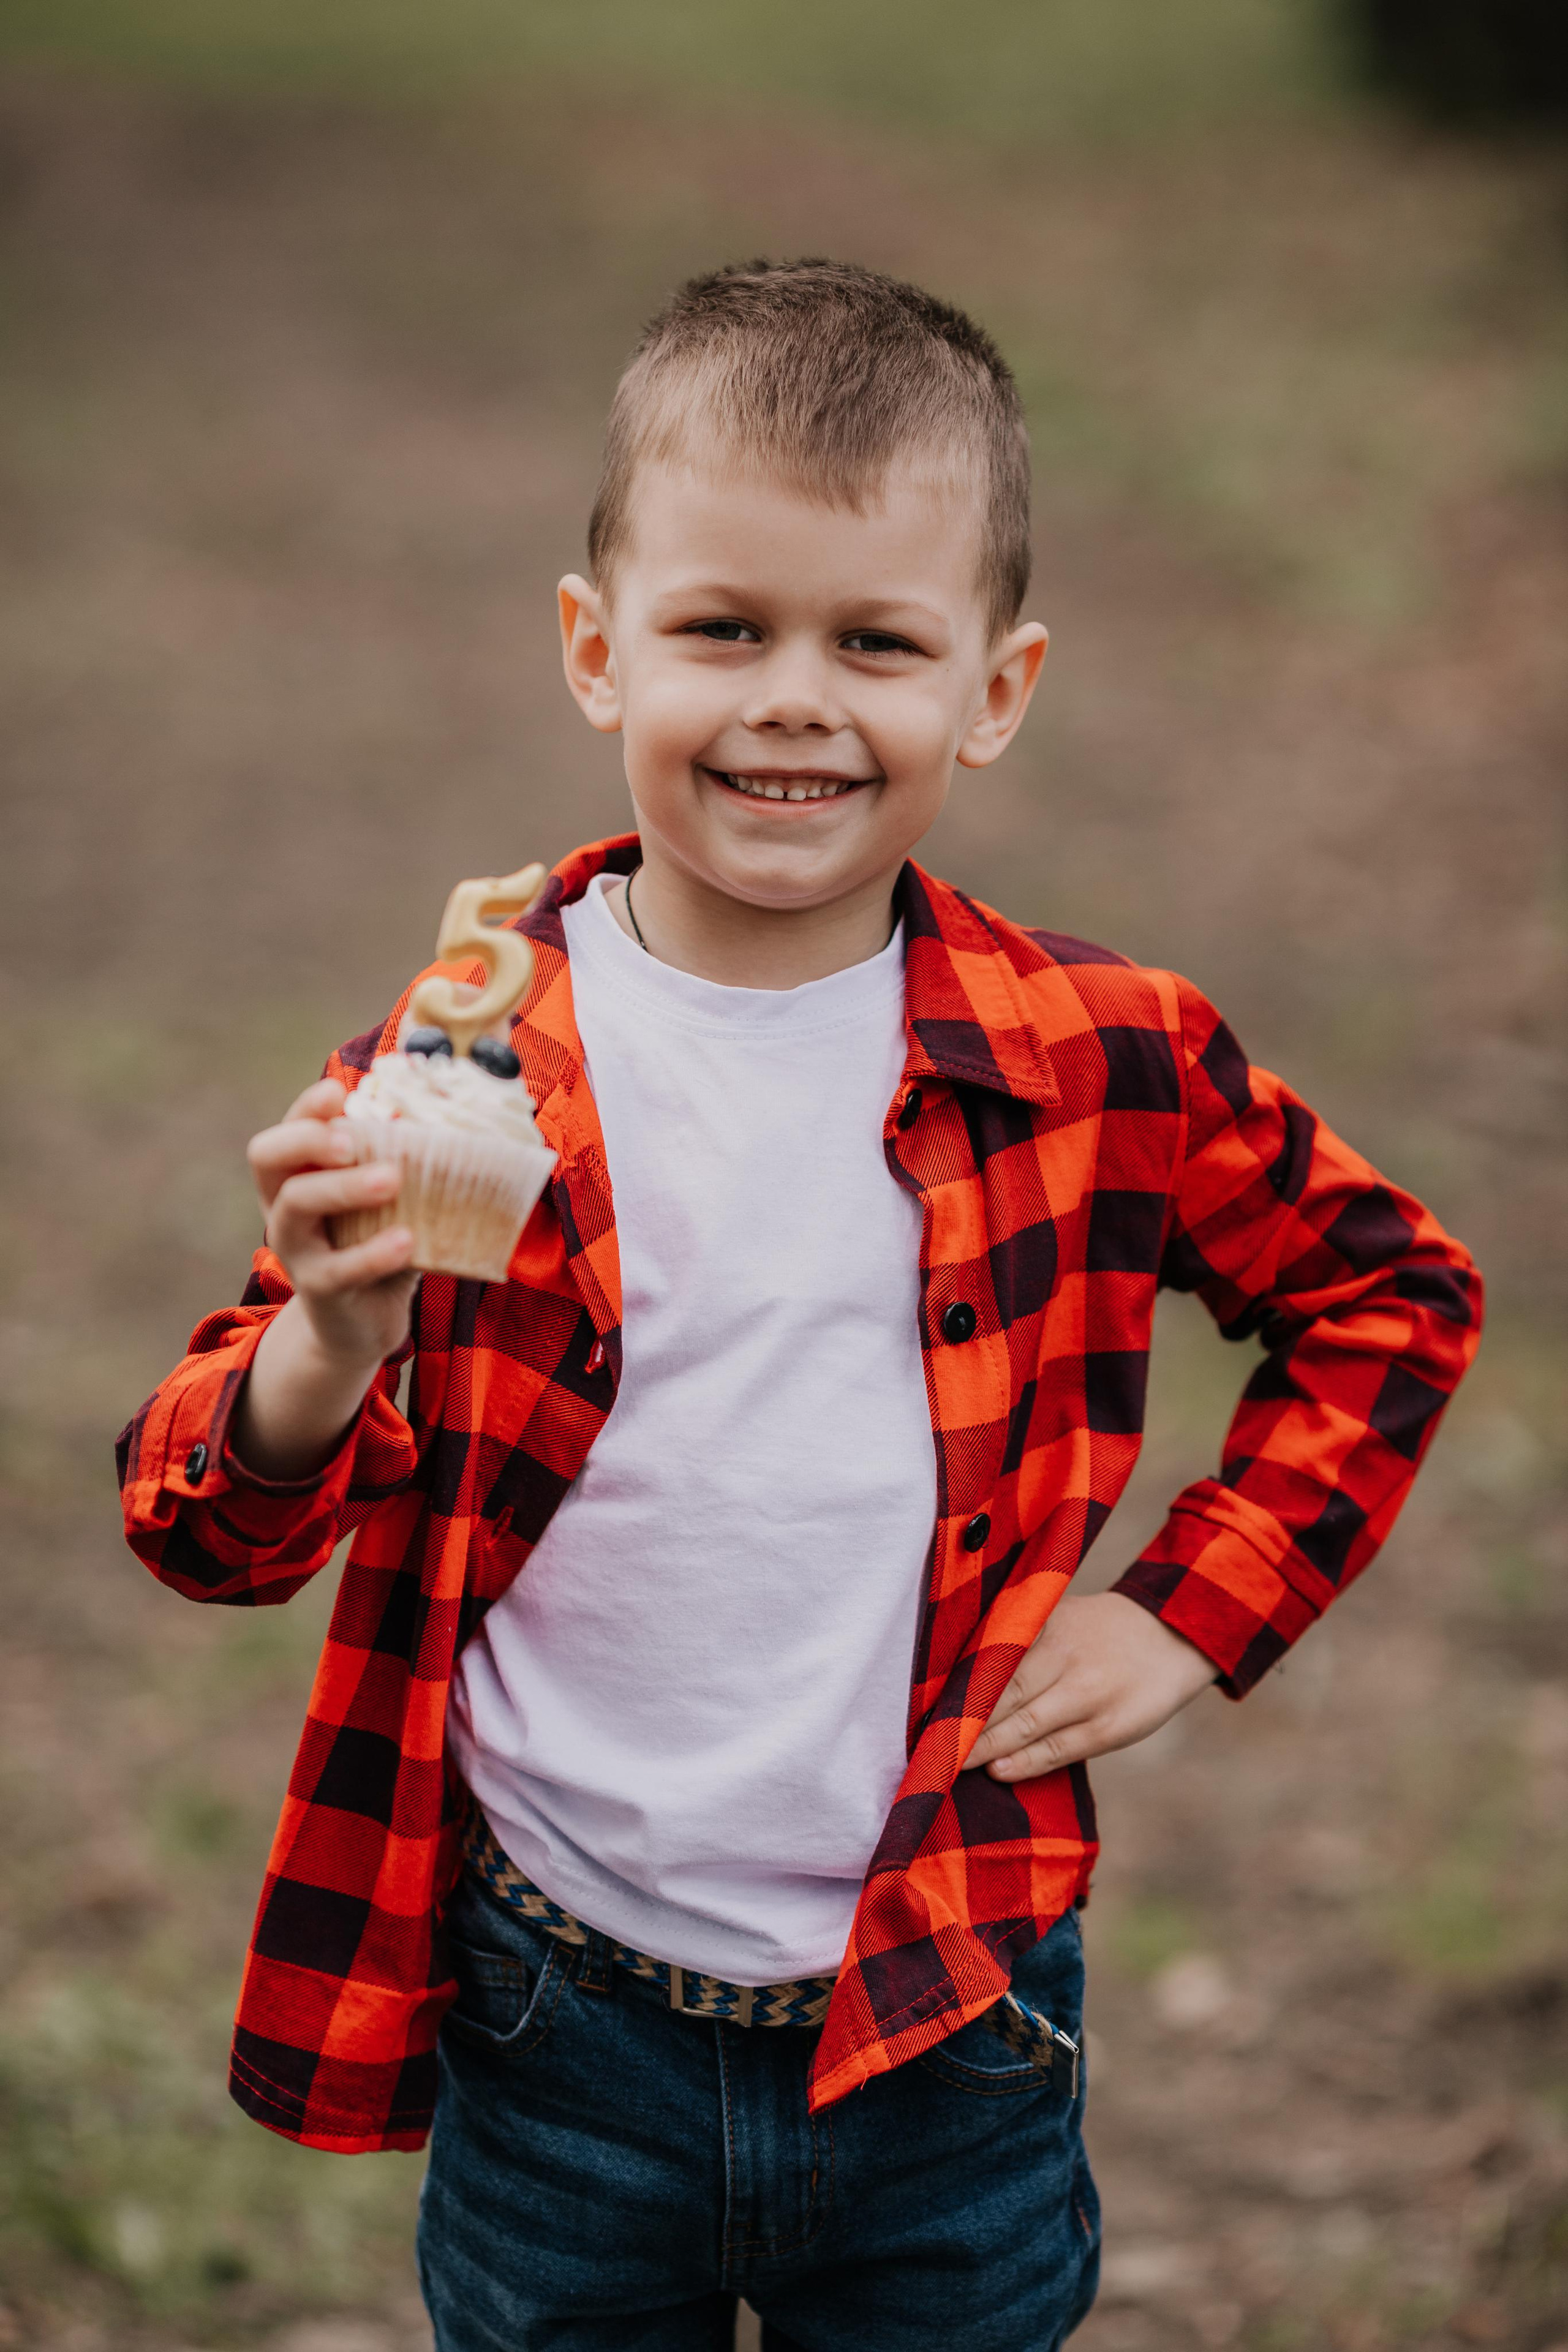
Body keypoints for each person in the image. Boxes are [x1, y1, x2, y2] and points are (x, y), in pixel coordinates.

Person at [117, 260, 1482, 2351]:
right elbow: (203, 1525)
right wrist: (328, 1342)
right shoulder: (474, 1046)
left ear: (995, 691)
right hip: (556, 2003)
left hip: (954, 2009)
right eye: (723, 628)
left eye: (878, 643)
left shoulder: (1098, 1056)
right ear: (598, 648)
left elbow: (1390, 1300)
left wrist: (1194, 1608)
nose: (795, 700)